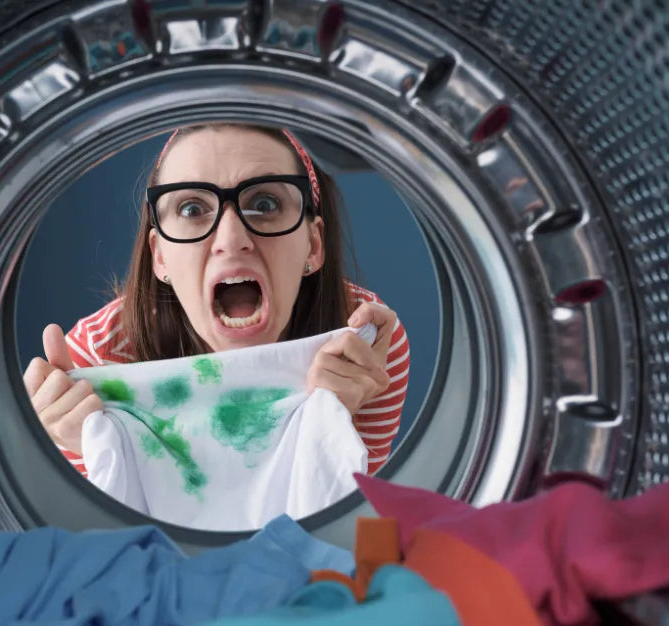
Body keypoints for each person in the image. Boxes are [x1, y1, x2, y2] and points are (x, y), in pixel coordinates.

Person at [24, 123, 410, 477]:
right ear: (159, 256)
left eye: (265, 204)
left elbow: (346, 523)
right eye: (192, 209)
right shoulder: (98, 357)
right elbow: (117, 540)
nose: (231, 239)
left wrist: (337, 426)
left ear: (312, 245)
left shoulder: (364, 343)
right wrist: (77, 451)